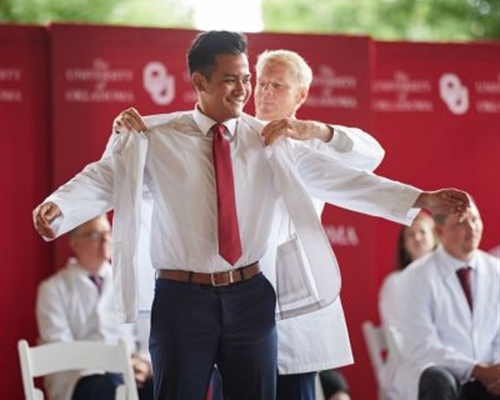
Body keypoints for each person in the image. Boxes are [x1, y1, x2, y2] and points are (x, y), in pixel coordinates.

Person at [33, 30, 470, 400]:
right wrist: (62, 206)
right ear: (198, 82)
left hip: (252, 297)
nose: (245, 90)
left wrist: (420, 199)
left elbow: (342, 179)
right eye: (231, 80)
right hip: (182, 300)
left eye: (247, 79)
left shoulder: (272, 140)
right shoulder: (157, 136)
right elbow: (105, 176)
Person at [113, 49, 365, 400]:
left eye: (278, 85)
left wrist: (319, 130)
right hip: (225, 301)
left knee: (294, 390)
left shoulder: (310, 144)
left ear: (301, 95)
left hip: (290, 304)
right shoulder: (224, 136)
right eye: (261, 82)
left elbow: (368, 157)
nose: (264, 92)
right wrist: (126, 135)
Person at [390, 199, 500, 400]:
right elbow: (422, 347)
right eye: (461, 223)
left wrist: (495, 371)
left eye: (475, 219)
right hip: (442, 378)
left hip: (488, 378)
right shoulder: (414, 277)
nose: (472, 228)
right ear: (439, 232)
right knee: (439, 379)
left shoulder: (496, 270)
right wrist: (477, 370)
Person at [36, 215, 153, 400]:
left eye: (108, 233)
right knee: (109, 386)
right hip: (82, 376)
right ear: (75, 243)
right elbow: (59, 346)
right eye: (95, 234)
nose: (106, 239)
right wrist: (111, 362)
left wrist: (144, 365)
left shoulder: (130, 282)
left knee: (159, 384)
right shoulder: (53, 289)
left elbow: (148, 335)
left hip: (130, 369)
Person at [379, 210, 438, 329]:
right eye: (411, 234)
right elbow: (395, 328)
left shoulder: (447, 276)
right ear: (404, 244)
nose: (417, 237)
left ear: (435, 237)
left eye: (422, 232)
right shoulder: (394, 282)